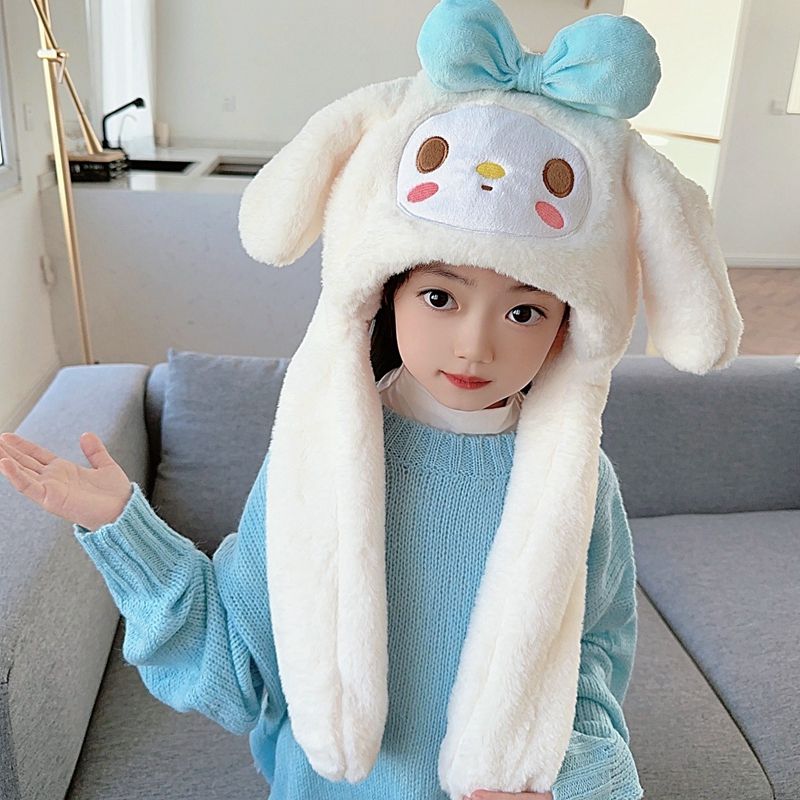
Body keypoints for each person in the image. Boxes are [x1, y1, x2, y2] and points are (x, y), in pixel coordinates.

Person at [1, 1, 744, 798]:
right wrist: (124, 526)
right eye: (440, 297)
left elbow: (589, 667)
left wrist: (569, 780)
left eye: (524, 312)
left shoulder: (580, 486)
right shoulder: (320, 460)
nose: (475, 345)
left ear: (569, 328)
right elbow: (238, 664)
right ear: (387, 292)